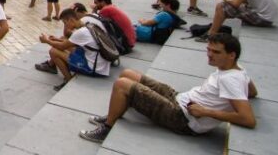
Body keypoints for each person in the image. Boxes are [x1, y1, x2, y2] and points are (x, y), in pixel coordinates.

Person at [79, 33, 257, 143]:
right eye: (209, 50)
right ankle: (114, 113)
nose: (210, 55)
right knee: (128, 74)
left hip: (183, 117)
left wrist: (206, 112)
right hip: (180, 98)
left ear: (231, 55)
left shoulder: (230, 80)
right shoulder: (237, 70)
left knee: (121, 84)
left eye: (216, 52)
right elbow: (252, 92)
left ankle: (107, 128)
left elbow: (247, 119)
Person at [39, 8, 111, 91]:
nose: (65, 26)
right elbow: (71, 43)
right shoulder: (87, 25)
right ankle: (58, 67)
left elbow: (62, 46)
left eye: (65, 23)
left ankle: (68, 80)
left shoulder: (80, 32)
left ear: (71, 20)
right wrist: (56, 39)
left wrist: (46, 41)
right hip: (101, 65)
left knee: (53, 51)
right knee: (63, 42)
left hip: (94, 68)